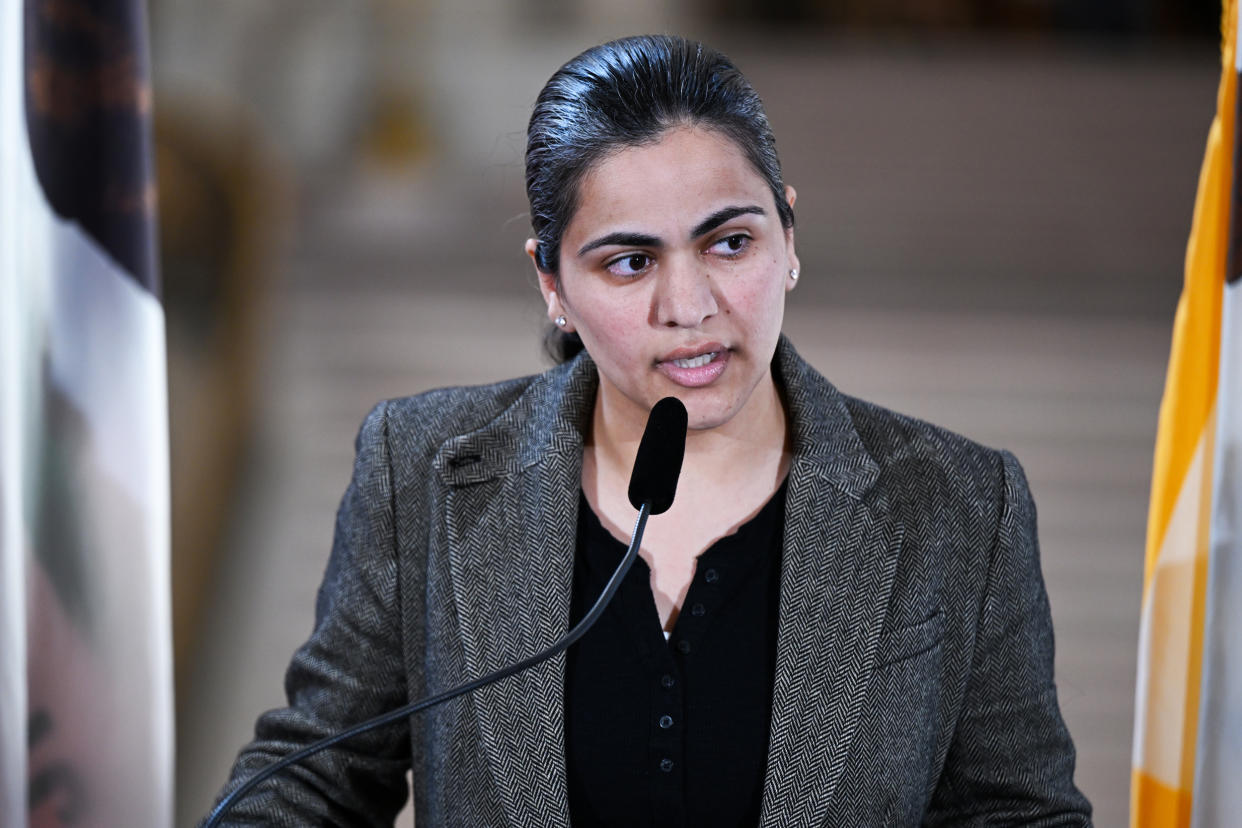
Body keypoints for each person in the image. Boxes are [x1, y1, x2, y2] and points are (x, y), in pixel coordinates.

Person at [210, 34, 1092, 827]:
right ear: (551, 282)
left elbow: (1019, 814)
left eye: (729, 244)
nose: (690, 306)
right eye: (630, 262)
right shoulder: (424, 469)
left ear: (788, 234)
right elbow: (312, 783)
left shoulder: (959, 502)